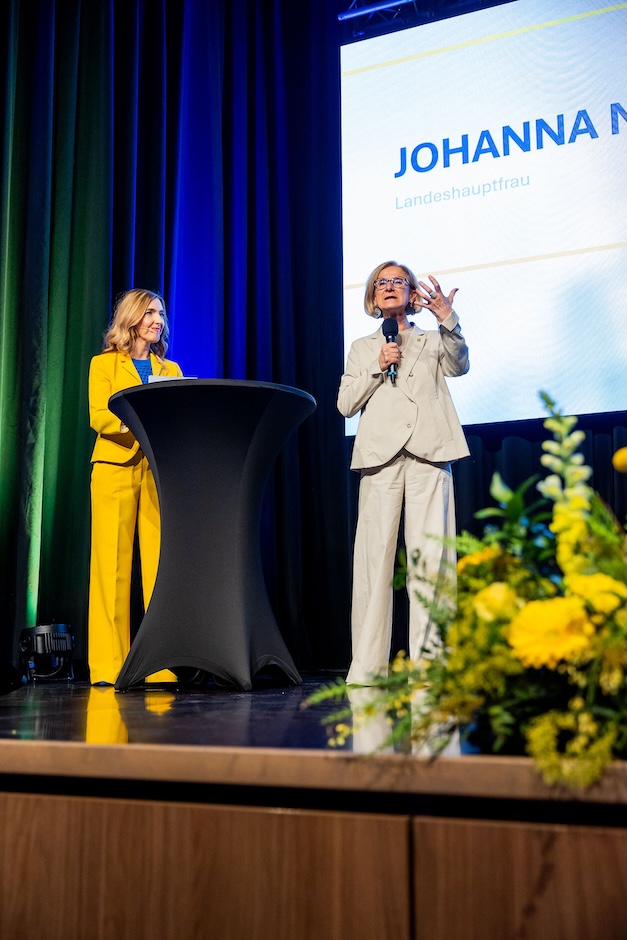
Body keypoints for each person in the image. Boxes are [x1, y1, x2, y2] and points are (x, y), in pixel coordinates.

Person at [337, 260, 470, 685]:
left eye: (399, 281)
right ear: (373, 296)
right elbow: (345, 404)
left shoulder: (432, 339)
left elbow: (459, 365)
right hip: (380, 458)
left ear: (412, 294)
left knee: (433, 563)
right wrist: (379, 364)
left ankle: (433, 668)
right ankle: (368, 669)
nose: (390, 286)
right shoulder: (362, 347)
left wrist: (449, 319)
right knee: (373, 566)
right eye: (382, 282)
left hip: (430, 453)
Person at [88, 289, 183, 685]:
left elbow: (179, 416)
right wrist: (138, 424)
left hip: (157, 470)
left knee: (160, 567)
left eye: (160, 313)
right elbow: (99, 415)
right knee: (110, 567)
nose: (157, 320)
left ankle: (159, 662)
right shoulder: (104, 364)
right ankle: (108, 665)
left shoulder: (170, 369)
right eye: (149, 313)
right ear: (131, 318)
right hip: (115, 466)